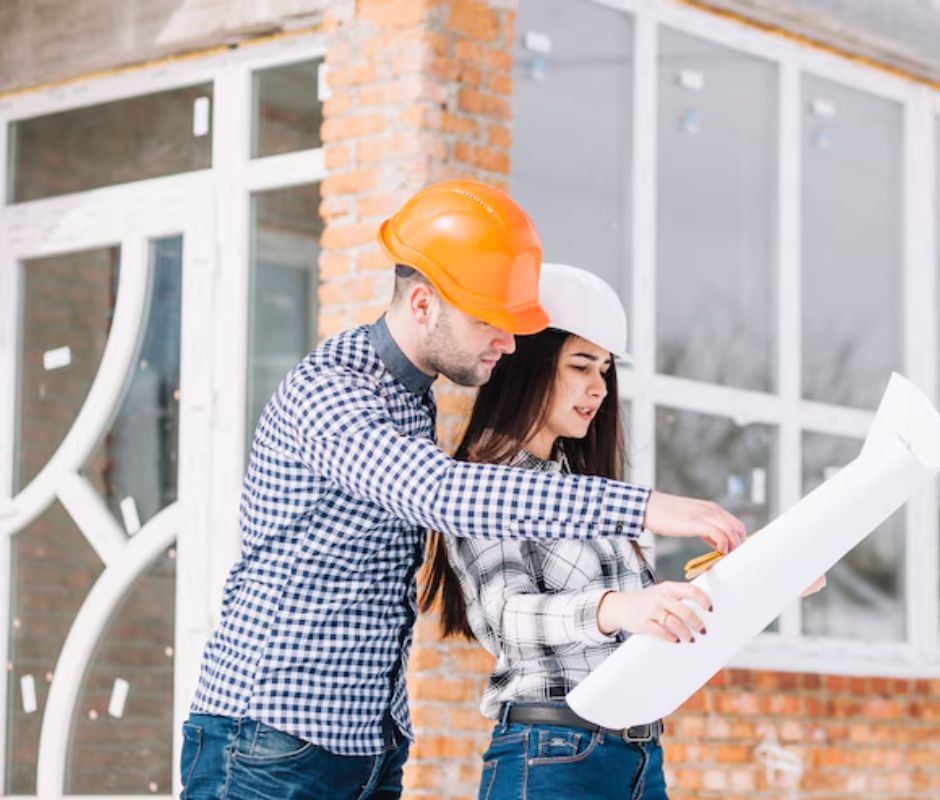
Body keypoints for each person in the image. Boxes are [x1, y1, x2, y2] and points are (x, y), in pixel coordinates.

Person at [178, 181, 746, 800]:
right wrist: (645, 507)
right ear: (422, 304)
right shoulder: (332, 393)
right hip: (271, 735)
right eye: (489, 323)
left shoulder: (411, 403)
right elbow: (442, 492)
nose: (507, 344)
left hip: (367, 744)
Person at [422, 264, 820, 800]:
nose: (599, 389)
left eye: (605, 371)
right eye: (581, 366)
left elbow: (658, 625)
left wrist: (765, 580)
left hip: (636, 758)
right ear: (529, 366)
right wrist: (618, 608)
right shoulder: (481, 483)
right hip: (552, 756)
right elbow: (504, 616)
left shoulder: (588, 496)